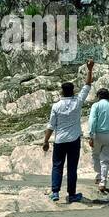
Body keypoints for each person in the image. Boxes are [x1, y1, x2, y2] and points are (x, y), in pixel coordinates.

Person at [42, 59, 95, 203]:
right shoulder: (77, 102)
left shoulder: (56, 106)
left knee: (57, 166)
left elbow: (51, 125)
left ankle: (55, 192)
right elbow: (88, 85)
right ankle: (71, 194)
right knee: (72, 167)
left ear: (61, 91)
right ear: (72, 91)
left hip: (59, 141)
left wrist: (46, 141)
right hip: (73, 140)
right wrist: (89, 69)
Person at [87, 89, 109, 193]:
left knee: (95, 155)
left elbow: (92, 120)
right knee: (106, 159)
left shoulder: (96, 106)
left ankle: (98, 176)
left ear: (98, 96)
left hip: (98, 134)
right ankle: (103, 182)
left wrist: (91, 135)